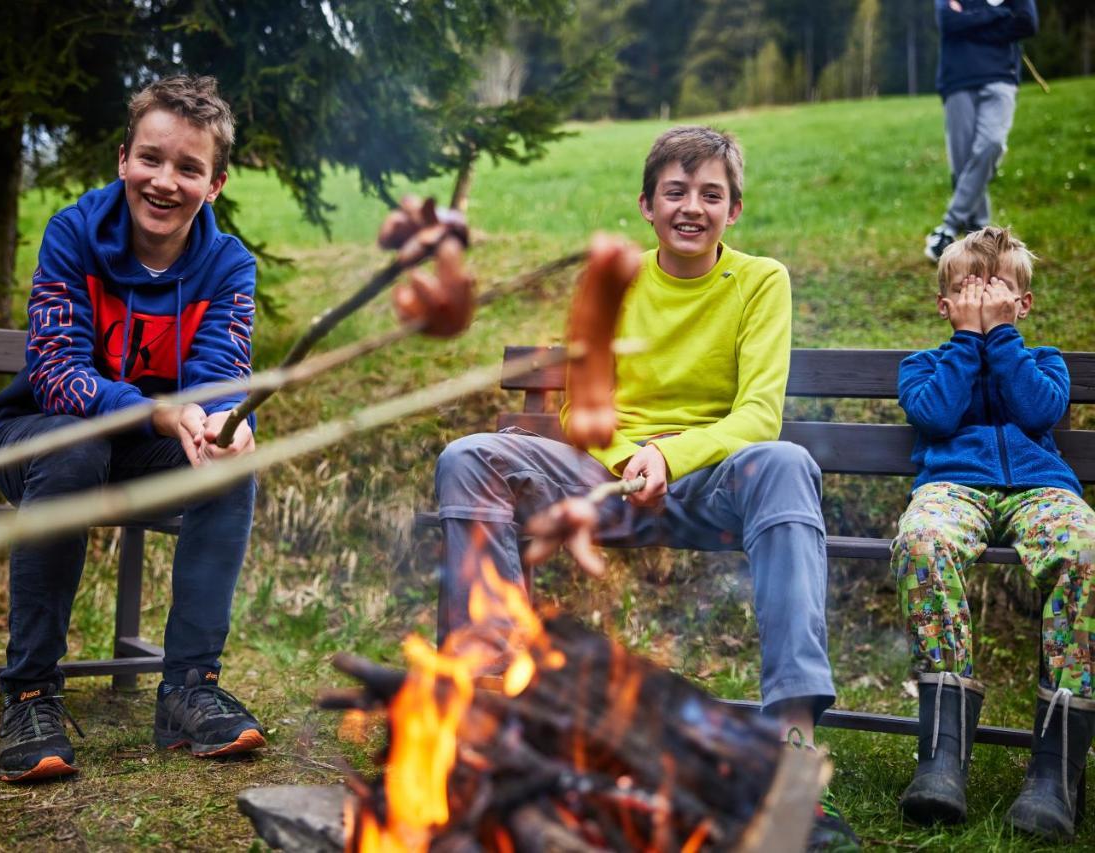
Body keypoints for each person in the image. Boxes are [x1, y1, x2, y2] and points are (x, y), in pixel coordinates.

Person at [433, 126, 858, 850]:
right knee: (470, 455)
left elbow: (757, 414)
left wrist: (671, 455)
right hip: (604, 478)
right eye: (676, 191)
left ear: (735, 210)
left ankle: (792, 755)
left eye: (711, 194)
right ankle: (483, 720)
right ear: (647, 204)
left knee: (786, 463)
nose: (693, 206)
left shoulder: (761, 282)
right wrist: (633, 456)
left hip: (714, 483)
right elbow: (577, 409)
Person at [0, 75, 265, 783]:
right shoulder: (73, 232)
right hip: (40, 440)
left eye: (189, 168)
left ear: (216, 183)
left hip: (143, 448)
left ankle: (187, 688)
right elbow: (55, 374)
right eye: (151, 158)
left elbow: (217, 379)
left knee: (230, 461)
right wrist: (154, 410)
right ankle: (30, 692)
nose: (164, 180)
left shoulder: (229, 265)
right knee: (76, 448)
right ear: (122, 159)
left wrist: (223, 425)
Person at [892, 226, 1094, 839]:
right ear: (945, 304)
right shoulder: (924, 364)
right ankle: (942, 759)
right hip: (952, 488)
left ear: (1023, 304)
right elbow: (934, 413)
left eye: (997, 288)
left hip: (1042, 492)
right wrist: (965, 343)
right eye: (967, 289)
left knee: (1087, 551)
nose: (981, 298)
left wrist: (1001, 340)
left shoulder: (1043, 362)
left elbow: (1037, 411)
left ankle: (1055, 773)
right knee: (921, 541)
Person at [923, 0, 1038, 263]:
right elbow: (948, 22)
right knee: (964, 164)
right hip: (958, 80)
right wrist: (998, 15)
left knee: (992, 144)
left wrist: (971, 21)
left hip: (1001, 77)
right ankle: (980, 236)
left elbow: (1027, 23)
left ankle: (949, 227)